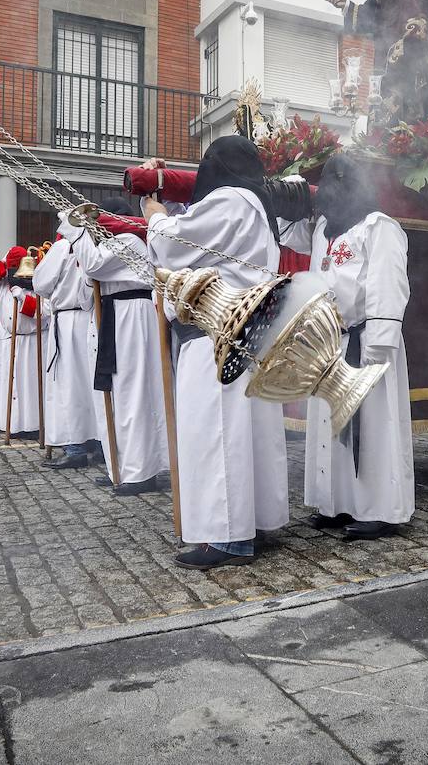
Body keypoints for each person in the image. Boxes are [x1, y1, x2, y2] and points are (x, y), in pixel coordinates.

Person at [142, 139, 288, 569]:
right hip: (247, 334)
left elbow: (173, 244)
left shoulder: (231, 200)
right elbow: (200, 238)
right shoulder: (256, 205)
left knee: (216, 434)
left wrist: (153, 212)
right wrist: (166, 197)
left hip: (216, 336)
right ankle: (255, 522)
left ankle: (227, 537)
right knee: (249, 435)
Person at [280, 156, 414, 540]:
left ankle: (380, 510)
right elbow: (286, 230)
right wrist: (289, 192)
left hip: (366, 340)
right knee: (330, 424)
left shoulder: (379, 226)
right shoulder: (324, 228)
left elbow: (389, 284)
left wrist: (378, 346)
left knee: (372, 428)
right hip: (331, 340)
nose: (329, 191)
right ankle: (335, 503)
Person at [72, 198, 169, 496]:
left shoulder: (129, 240)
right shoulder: (108, 246)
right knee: (116, 395)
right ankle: (122, 466)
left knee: (132, 394)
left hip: (131, 315)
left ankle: (141, 471)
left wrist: (76, 231)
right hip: (114, 315)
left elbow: (93, 264)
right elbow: (84, 297)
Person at [32, 219, 106, 470]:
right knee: (92, 383)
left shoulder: (62, 247)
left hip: (67, 320)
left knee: (68, 386)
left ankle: (75, 447)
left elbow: (41, 284)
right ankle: (99, 443)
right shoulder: (97, 244)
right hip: (93, 318)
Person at [0, 245, 43, 436]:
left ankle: (32, 426)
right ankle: (12, 425)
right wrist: (5, 262)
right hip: (10, 339)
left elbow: (45, 312)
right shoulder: (4, 283)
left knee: (29, 386)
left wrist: (23, 298)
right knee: (10, 384)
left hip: (30, 340)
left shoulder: (36, 284)